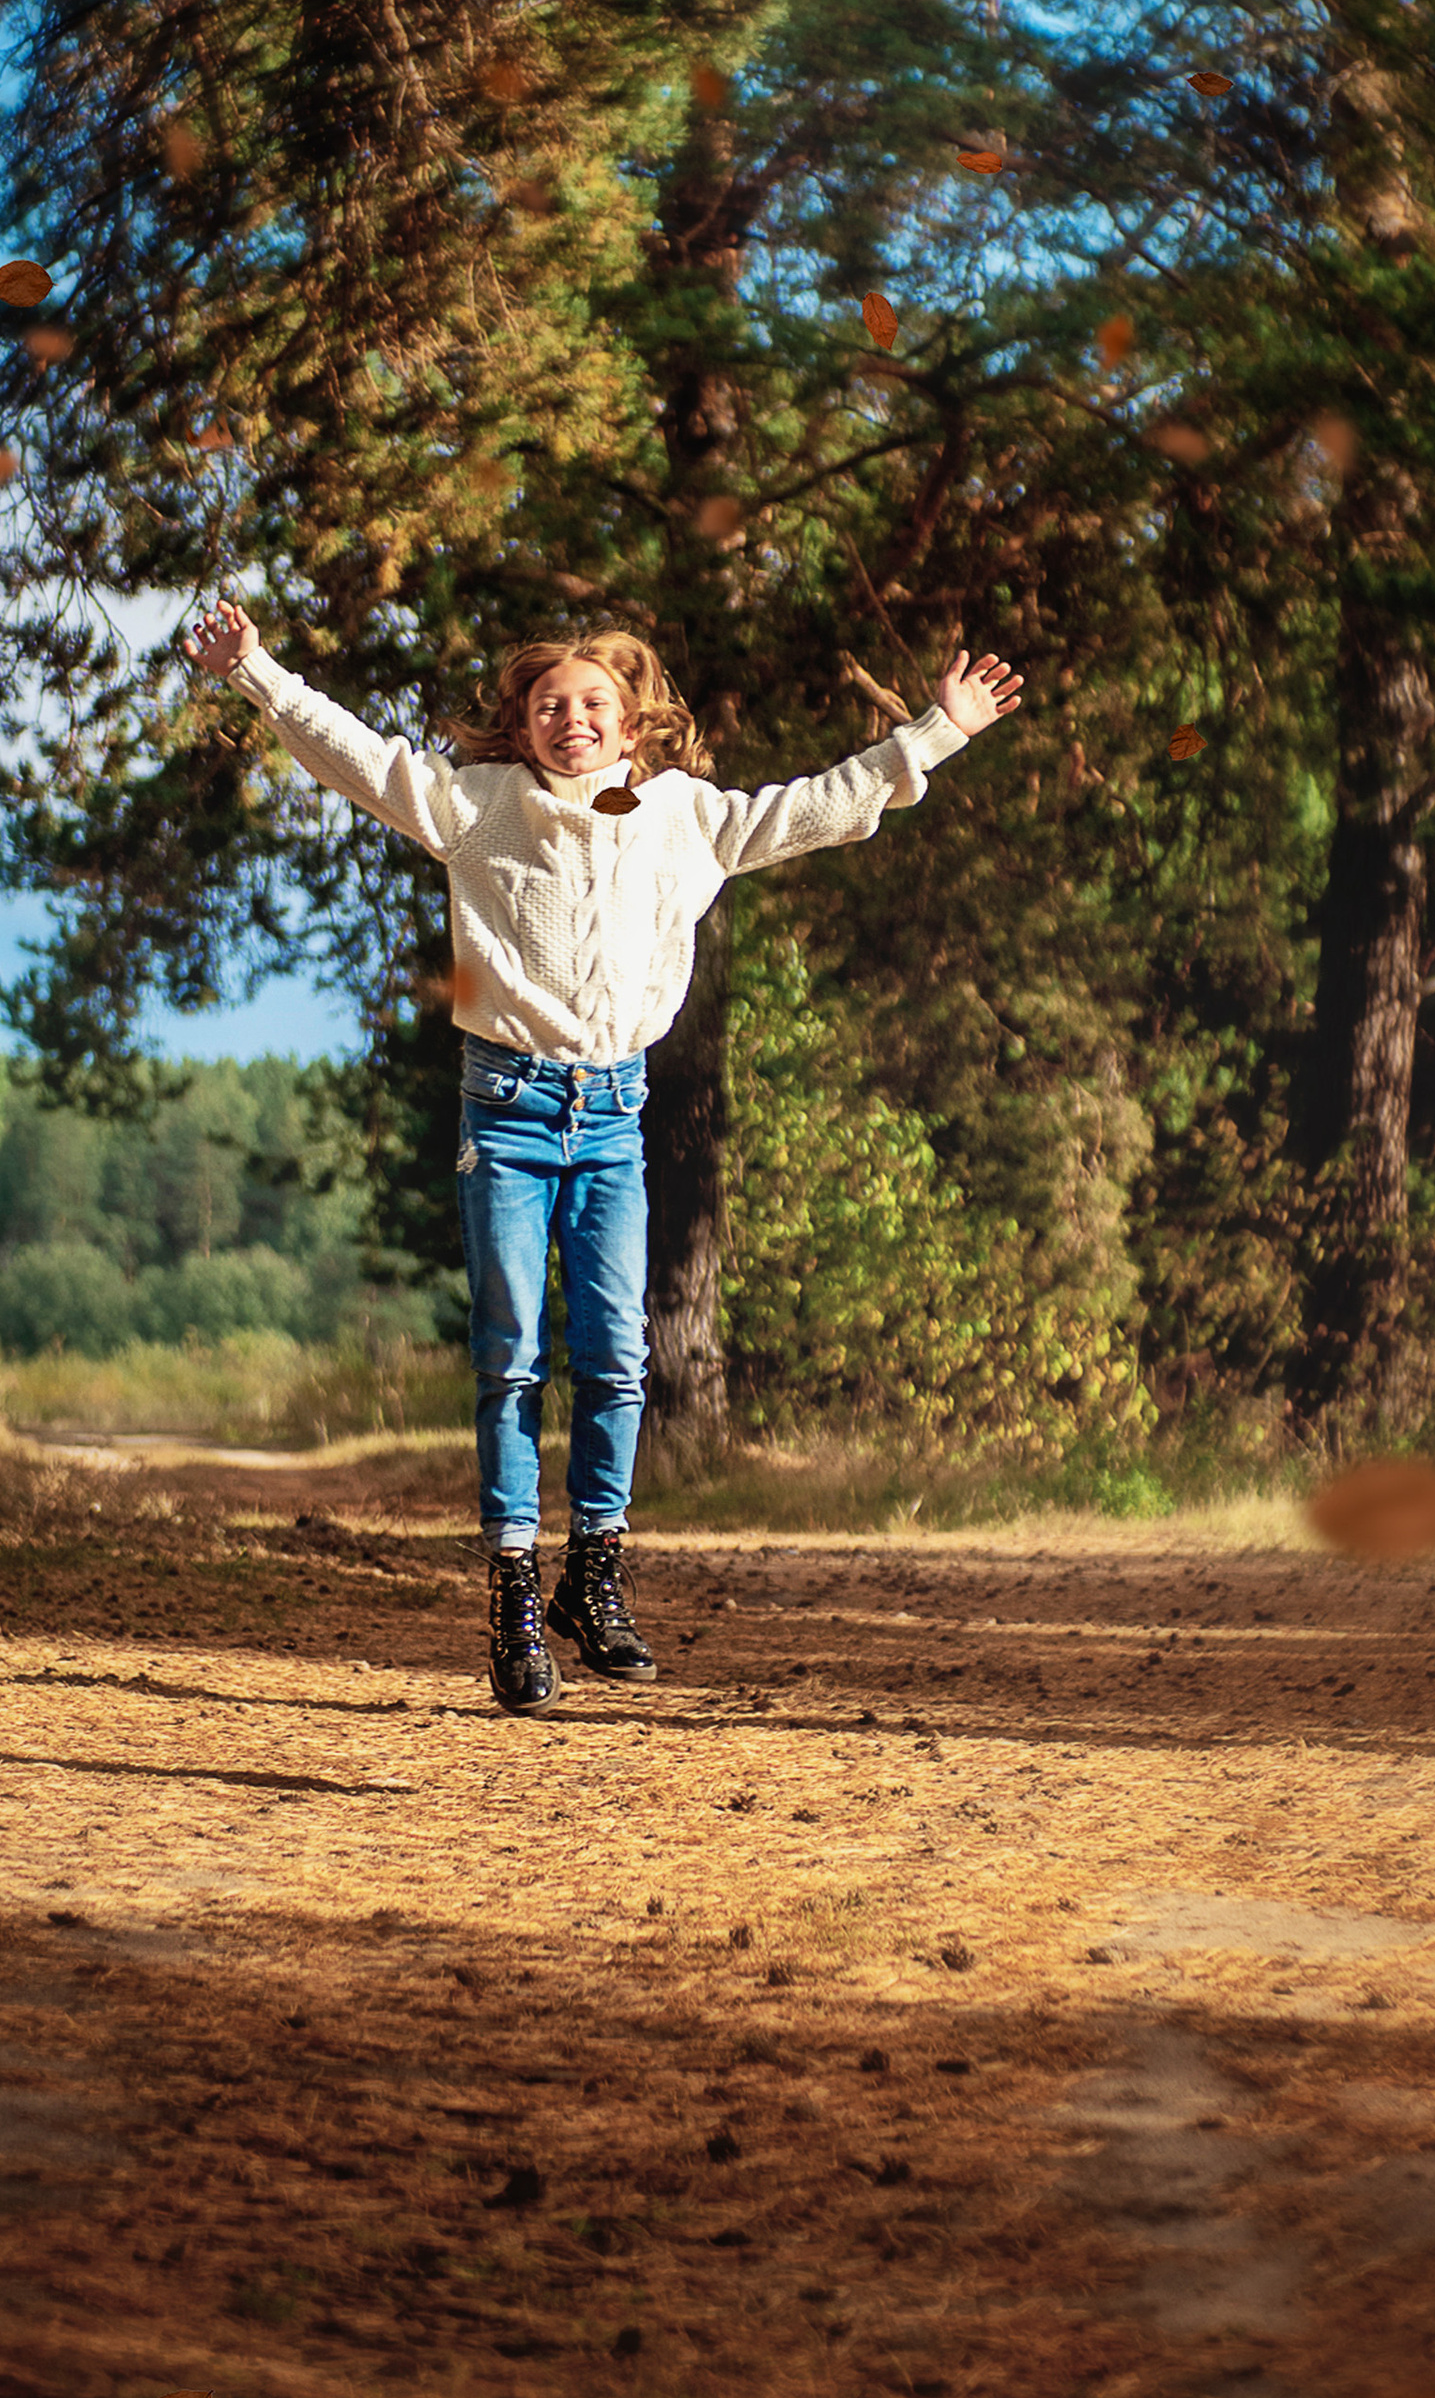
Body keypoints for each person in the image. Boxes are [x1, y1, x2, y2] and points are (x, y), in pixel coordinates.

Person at [185, 600, 1022, 1714]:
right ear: (522, 723)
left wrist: (938, 731)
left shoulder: (685, 817)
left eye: (592, 704)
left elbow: (817, 807)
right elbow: (357, 758)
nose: (570, 719)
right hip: (508, 1113)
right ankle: (514, 1598)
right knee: (512, 1356)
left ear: (632, 725)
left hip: (615, 1118)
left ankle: (594, 1573)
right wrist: (257, 671)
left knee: (619, 1359)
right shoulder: (474, 805)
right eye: (548, 704)